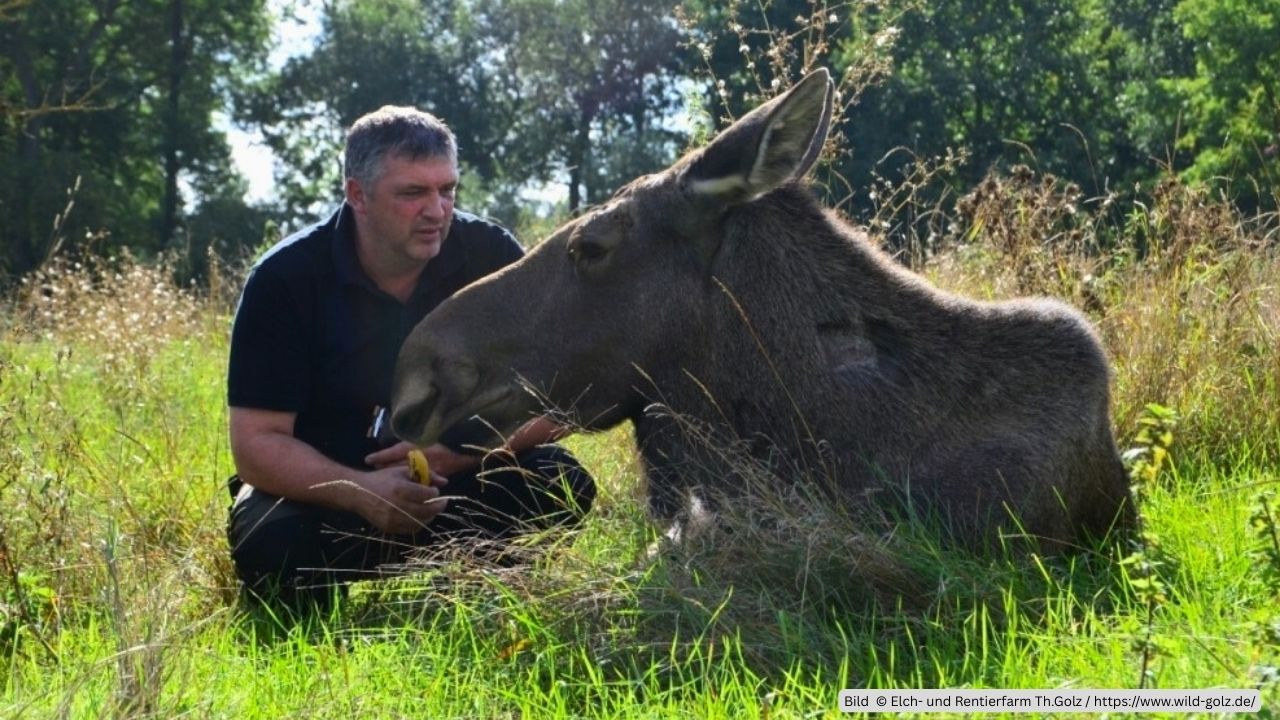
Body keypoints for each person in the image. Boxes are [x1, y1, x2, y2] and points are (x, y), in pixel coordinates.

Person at [225, 106, 595, 608]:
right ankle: (315, 630)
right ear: (357, 194)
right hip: (329, 490)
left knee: (558, 481)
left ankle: (478, 598)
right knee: (268, 539)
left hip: (459, 475)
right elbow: (256, 444)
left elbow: (562, 395)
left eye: (447, 190)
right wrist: (361, 490)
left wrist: (460, 450)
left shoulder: (490, 255)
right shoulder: (285, 280)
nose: (437, 211)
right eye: (412, 193)